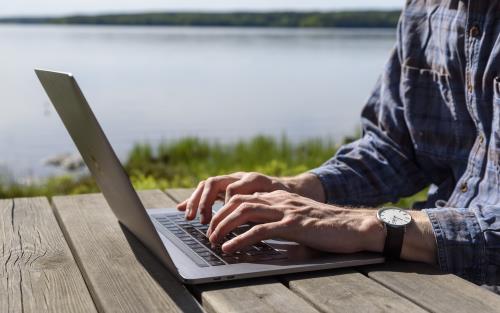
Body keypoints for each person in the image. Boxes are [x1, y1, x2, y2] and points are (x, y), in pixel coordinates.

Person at [178, 0, 500, 291]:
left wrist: (365, 225)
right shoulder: (425, 8)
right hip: (425, 271)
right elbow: (395, 148)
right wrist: (300, 189)